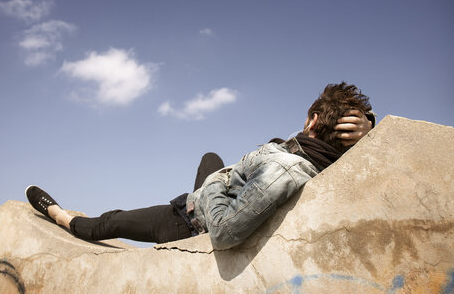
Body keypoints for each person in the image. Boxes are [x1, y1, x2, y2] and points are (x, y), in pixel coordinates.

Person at [26, 82, 374, 250]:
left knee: (112, 221)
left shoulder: (285, 168)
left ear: (312, 121)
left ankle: (63, 217)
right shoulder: (326, 160)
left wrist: (211, 187)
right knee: (210, 158)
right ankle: (208, 182)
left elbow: (222, 232)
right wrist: (370, 124)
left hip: (187, 223)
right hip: (218, 194)